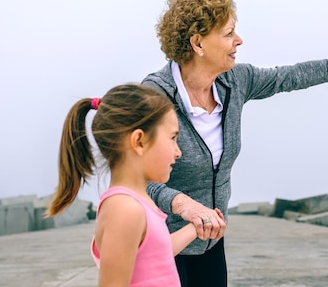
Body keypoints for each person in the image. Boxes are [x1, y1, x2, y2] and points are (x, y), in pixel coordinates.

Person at [141, 0, 328, 287]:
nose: (239, 40)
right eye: (228, 33)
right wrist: (182, 203)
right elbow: (139, 178)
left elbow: (293, 76)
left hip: (211, 244)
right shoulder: (156, 95)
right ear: (198, 43)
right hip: (164, 246)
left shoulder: (235, 82)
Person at [46, 83, 224, 287]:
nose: (178, 152)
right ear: (139, 141)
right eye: (173, 138)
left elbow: (157, 252)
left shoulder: (137, 202)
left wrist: (197, 226)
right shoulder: (124, 209)